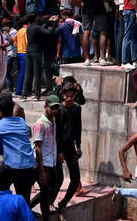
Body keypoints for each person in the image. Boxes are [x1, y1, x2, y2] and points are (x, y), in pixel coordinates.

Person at [0, 95, 38, 203]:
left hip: (12, 166)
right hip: (29, 165)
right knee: (24, 200)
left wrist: (3, 147)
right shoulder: (22, 122)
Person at [29, 96, 61, 220]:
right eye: (52, 107)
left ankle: (29, 206)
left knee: (48, 191)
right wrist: (41, 171)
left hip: (51, 162)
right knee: (46, 193)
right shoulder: (40, 124)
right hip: (43, 164)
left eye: (56, 107)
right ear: (46, 106)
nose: (55, 110)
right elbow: (37, 148)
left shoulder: (53, 121)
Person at [54, 83, 83, 212]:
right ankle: (50, 203)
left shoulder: (77, 108)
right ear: (63, 96)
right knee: (58, 179)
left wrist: (79, 145)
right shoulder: (59, 110)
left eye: (71, 96)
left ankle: (63, 203)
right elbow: (56, 132)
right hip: (59, 147)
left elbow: (78, 127)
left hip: (71, 146)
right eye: (67, 96)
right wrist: (58, 151)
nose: (69, 99)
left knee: (76, 179)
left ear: (75, 95)